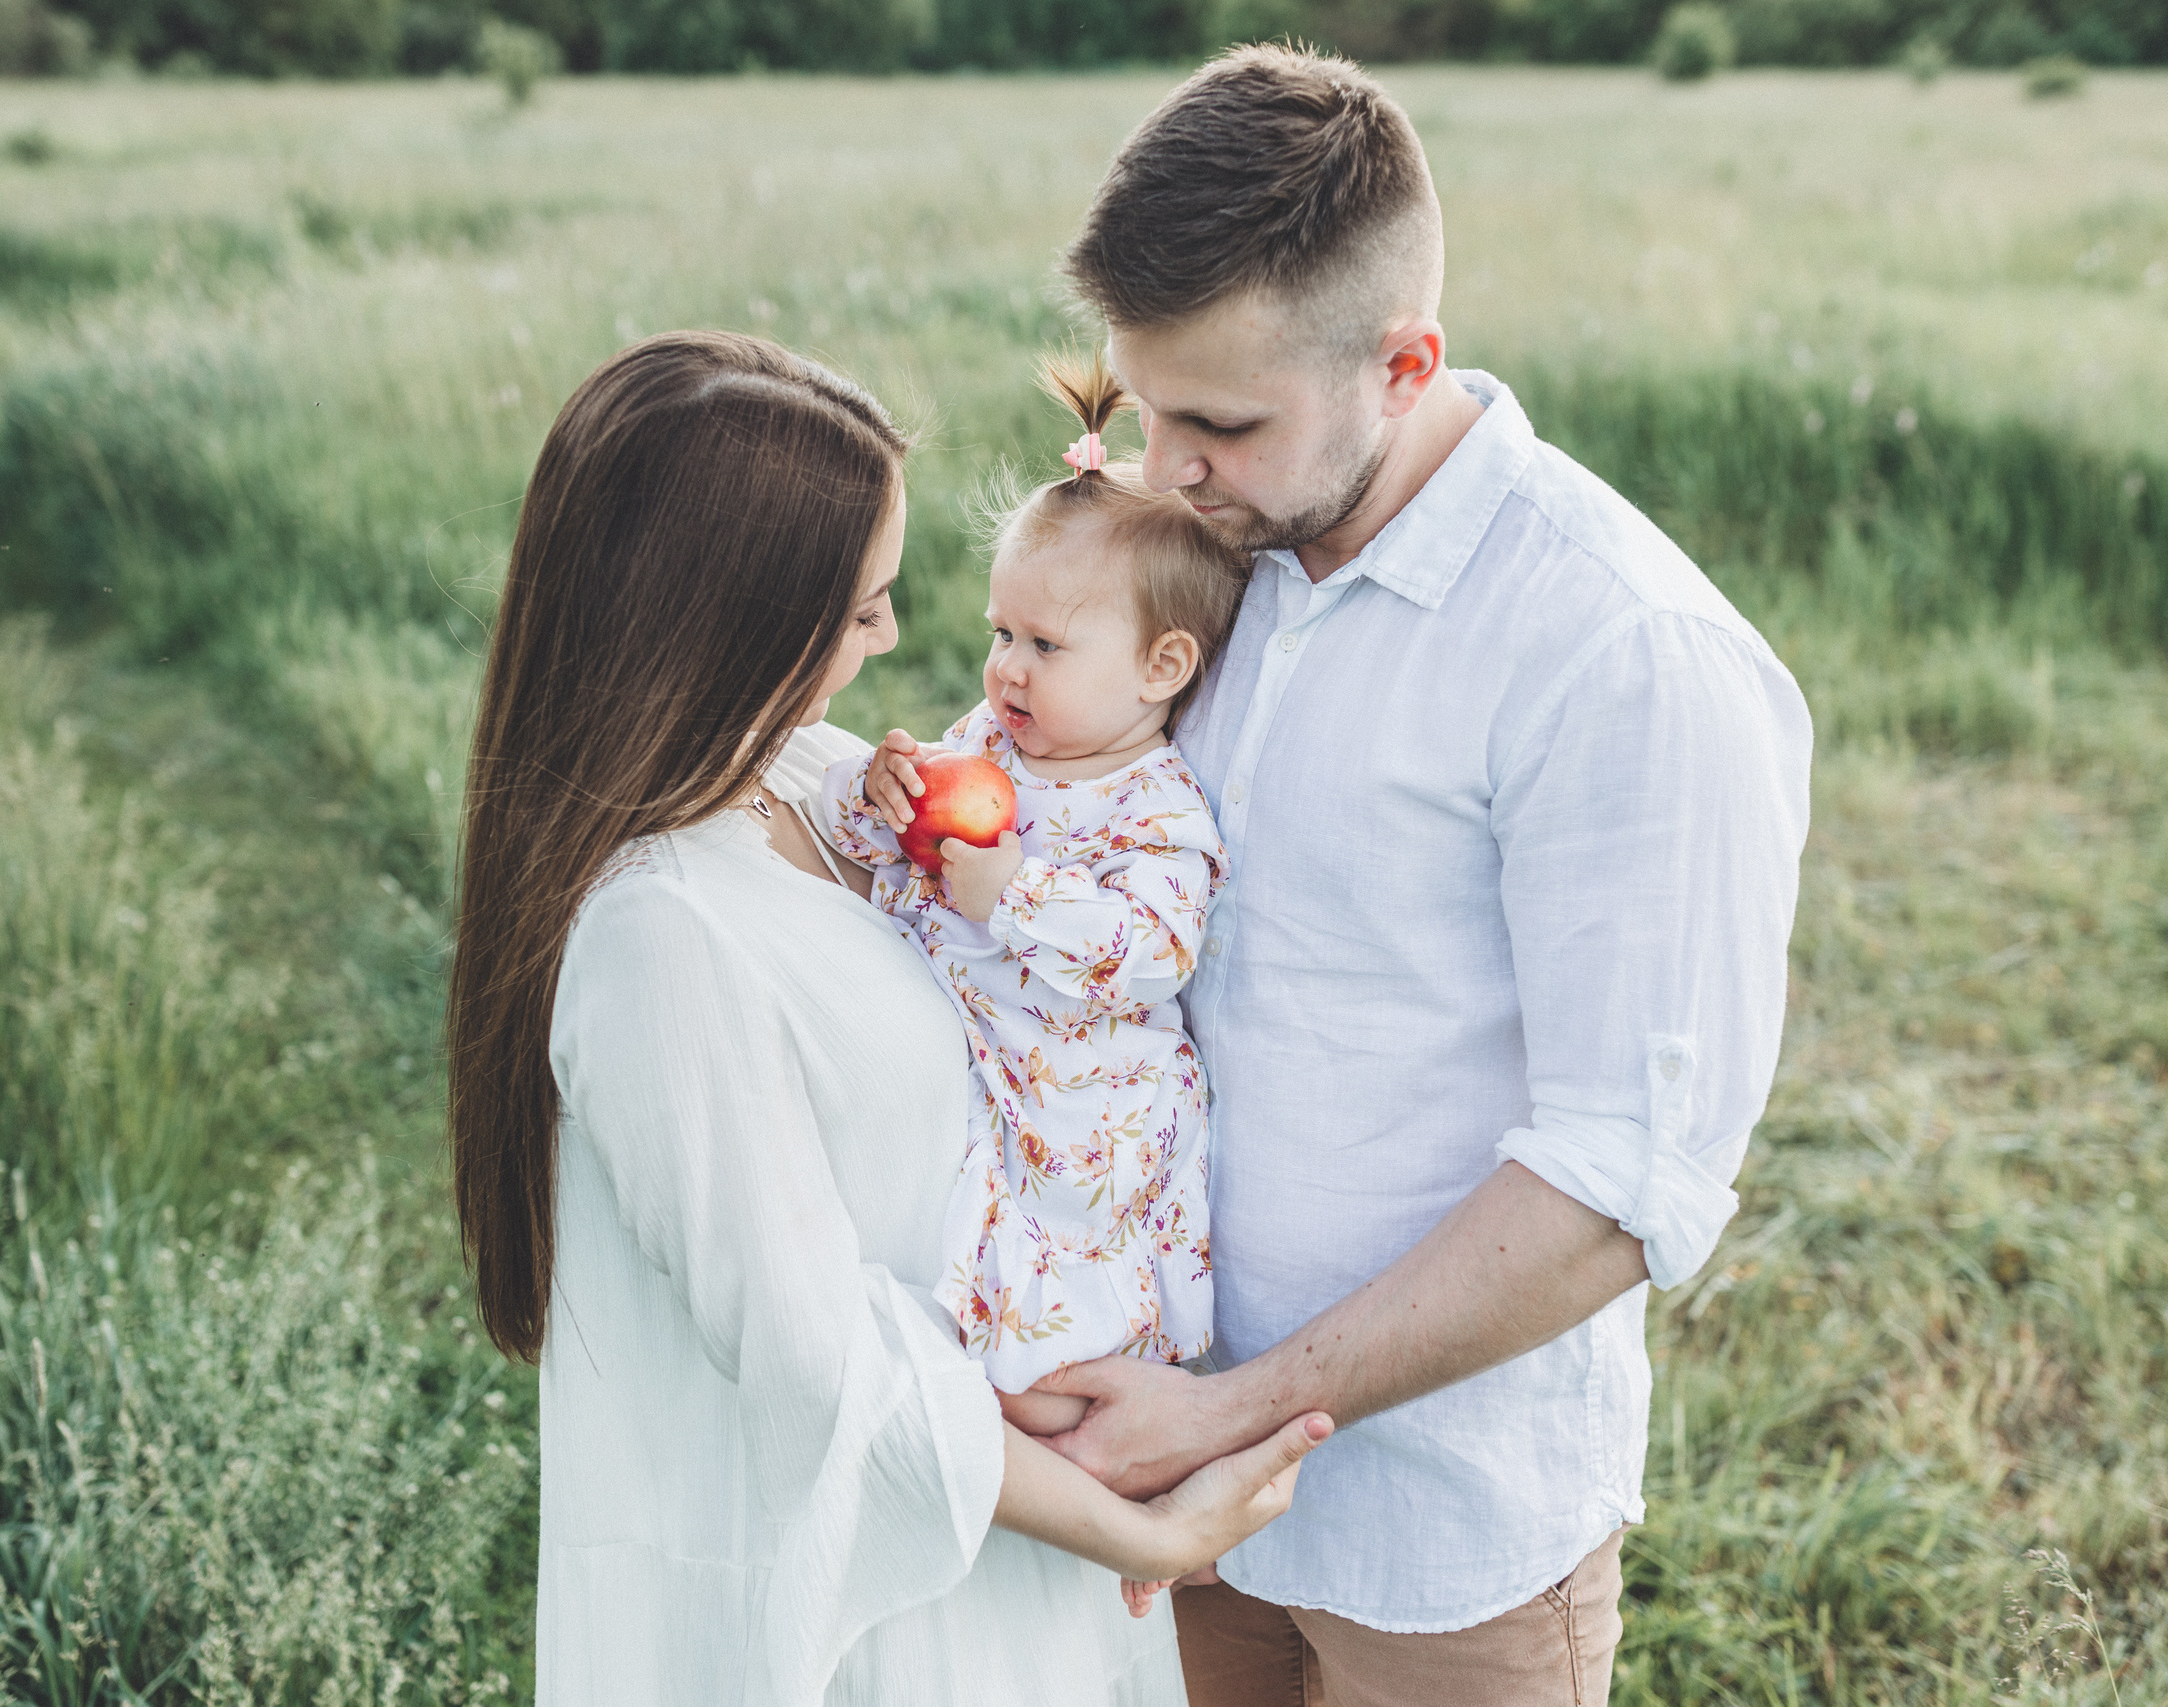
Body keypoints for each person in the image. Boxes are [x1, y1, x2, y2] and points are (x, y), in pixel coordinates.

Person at [1023, 47, 1816, 1707]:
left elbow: (1621, 1178)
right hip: (1157, 1495)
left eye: (1221, 423)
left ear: (1406, 364)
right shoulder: (1211, 558)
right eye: (1147, 406)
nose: (1163, 467)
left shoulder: (1624, 654)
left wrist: (1236, 1408)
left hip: (1442, 1541)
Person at [445, 328, 1330, 1707]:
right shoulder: (658, 935)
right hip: (876, 1601)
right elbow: (822, 1370)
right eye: (862, 611)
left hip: (1001, 1521)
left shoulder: (805, 772)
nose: (896, 643)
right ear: (735, 622)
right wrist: (1145, 1531)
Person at [823, 350, 1244, 1462]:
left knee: (1064, 1333)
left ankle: (1116, 1445)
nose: (1006, 669)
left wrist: (1016, 894)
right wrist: (879, 794)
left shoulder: (1157, 808)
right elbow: (878, 855)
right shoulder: (986, 744)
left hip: (1084, 1110)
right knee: (961, 1289)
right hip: (981, 1075)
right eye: (1000, 633)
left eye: (1045, 645)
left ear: (1161, 667)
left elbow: (1152, 950)